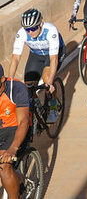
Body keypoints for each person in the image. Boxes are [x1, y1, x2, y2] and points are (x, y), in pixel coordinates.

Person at [9, 9, 64, 123]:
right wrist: (10, 80)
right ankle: (38, 107)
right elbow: (15, 58)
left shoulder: (50, 30)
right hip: (36, 54)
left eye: (33, 28)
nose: (30, 32)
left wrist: (49, 83)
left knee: (47, 79)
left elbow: (53, 59)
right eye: (27, 29)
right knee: (28, 86)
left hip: (52, 54)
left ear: (40, 24)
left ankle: (53, 107)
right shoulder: (22, 33)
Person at [0, 64, 30, 199]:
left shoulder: (16, 89)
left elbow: (23, 122)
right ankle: (17, 178)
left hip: (15, 129)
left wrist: (13, 148)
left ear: (2, 79)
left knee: (3, 166)